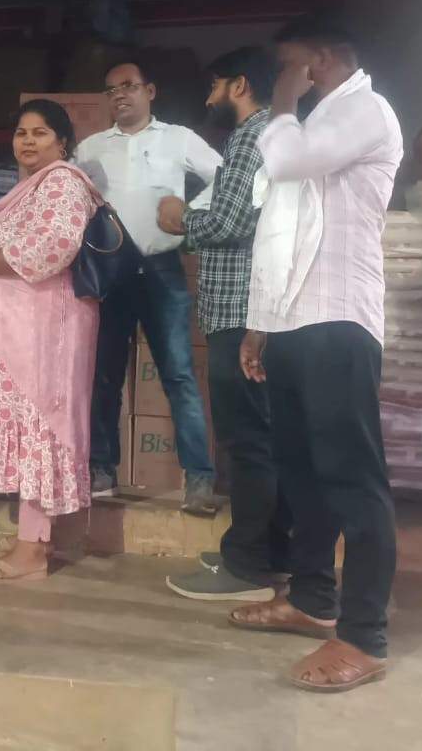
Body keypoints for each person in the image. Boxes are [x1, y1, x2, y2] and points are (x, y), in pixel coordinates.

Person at [232, 17, 402, 693]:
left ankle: (364, 637)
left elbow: (286, 162)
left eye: (289, 64)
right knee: (301, 474)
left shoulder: (365, 110)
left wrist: (280, 101)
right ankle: (310, 599)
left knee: (352, 481)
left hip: (339, 321)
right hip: (293, 322)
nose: (283, 77)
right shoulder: (315, 122)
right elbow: (277, 230)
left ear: (321, 60)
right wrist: (260, 325)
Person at [0, 100, 101, 585]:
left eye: (40, 133)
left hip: (40, 337)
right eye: (21, 132)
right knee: (27, 430)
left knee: (39, 429)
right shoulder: (28, 189)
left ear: (63, 142)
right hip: (16, 333)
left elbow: (54, 245)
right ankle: (32, 539)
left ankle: (32, 551)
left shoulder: (62, 183)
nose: (28, 141)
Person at [158, 47, 289, 603]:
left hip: (241, 312)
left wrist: (180, 220)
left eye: (215, 86)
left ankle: (247, 565)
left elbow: (232, 222)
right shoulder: (278, 136)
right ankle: (270, 553)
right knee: (263, 438)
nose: (210, 97)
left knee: (246, 441)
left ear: (239, 85)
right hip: (254, 310)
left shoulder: (250, 137)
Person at [76, 61, 222, 513]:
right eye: (111, 90)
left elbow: (225, 175)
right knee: (104, 376)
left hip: (161, 270)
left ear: (150, 91)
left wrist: (189, 209)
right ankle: (101, 470)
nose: (120, 95)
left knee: (178, 374)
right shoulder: (90, 149)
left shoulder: (177, 138)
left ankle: (199, 480)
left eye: (129, 87)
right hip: (110, 273)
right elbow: (71, 201)